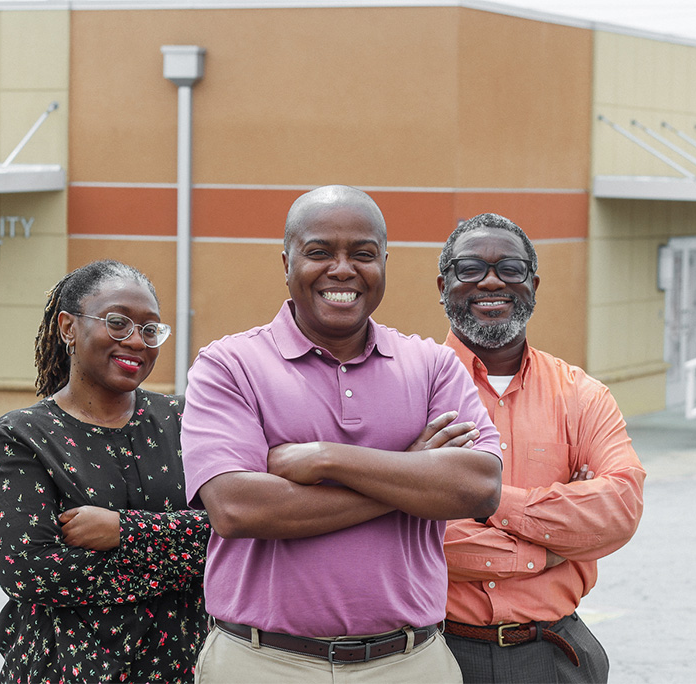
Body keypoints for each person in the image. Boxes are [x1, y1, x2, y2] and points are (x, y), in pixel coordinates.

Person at [180, 185, 504, 683]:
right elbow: (237, 508)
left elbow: (479, 488)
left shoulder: (432, 365)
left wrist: (328, 460)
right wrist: (411, 472)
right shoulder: (228, 366)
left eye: (363, 254)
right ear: (285, 262)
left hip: (409, 664)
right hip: (264, 663)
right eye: (318, 252)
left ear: (385, 264)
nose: (342, 269)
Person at [436, 213, 646, 683]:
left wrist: (480, 499)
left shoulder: (582, 394)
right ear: (442, 284)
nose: (492, 281)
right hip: (437, 654)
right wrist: (551, 548)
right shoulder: (409, 388)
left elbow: (619, 509)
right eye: (470, 268)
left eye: (510, 269)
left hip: (556, 656)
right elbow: (410, 534)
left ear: (533, 283)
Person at [0, 259, 210, 684]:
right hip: (60, 670)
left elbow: (234, 532)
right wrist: (185, 554)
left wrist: (125, 531)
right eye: (118, 323)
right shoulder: (24, 436)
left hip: (180, 669)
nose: (137, 342)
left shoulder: (187, 419)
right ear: (68, 328)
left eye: (149, 329)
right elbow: (30, 570)